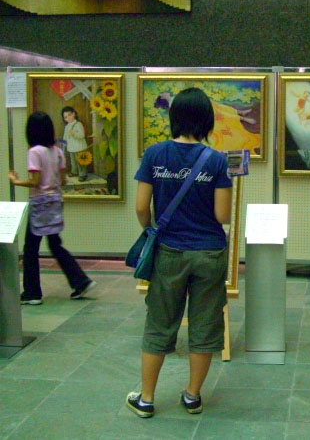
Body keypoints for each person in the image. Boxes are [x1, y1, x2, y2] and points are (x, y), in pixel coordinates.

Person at [126, 87, 232, 418]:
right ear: (207, 120)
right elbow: (222, 216)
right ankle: (192, 396)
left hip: (169, 251)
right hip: (209, 253)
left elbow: (141, 206)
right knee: (204, 325)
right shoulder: (216, 161)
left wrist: (150, 228)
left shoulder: (154, 155)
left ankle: (146, 399)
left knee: (159, 324)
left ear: (174, 118)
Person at [8, 111, 97, 305]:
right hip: (55, 201)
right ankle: (80, 281)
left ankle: (32, 292)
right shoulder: (57, 151)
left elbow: (35, 182)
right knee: (55, 244)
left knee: (30, 248)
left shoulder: (34, 152)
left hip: (39, 203)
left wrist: (15, 181)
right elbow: (62, 179)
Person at [61, 106, 88, 182]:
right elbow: (65, 137)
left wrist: (74, 134)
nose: (68, 118)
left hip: (80, 147)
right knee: (73, 161)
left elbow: (82, 135)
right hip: (71, 148)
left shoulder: (78, 124)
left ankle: (82, 174)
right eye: (65, 117)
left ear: (74, 114)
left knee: (81, 162)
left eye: (69, 115)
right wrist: (63, 144)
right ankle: (74, 171)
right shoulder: (67, 126)